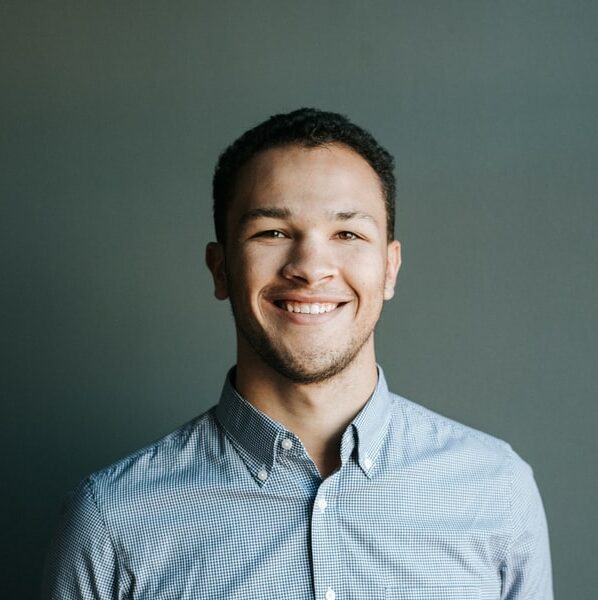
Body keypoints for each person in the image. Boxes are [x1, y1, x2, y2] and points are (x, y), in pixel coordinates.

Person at [42, 108, 553, 599]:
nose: (310, 267)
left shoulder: (497, 490)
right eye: (273, 232)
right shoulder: (112, 519)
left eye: (348, 233)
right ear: (220, 269)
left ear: (390, 268)